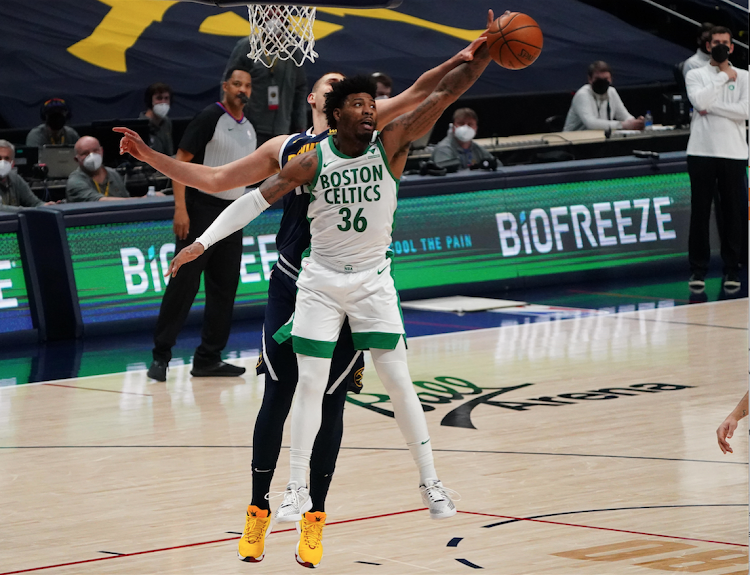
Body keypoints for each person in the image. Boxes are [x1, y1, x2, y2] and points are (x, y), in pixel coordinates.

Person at [116, 31, 487, 566]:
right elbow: (218, 180)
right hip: (298, 285)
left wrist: (467, 56)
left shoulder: (375, 138)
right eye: (335, 89)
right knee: (279, 399)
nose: (355, 99)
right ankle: (258, 511)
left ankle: (314, 517)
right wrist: (154, 159)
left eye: (362, 98)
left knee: (331, 401)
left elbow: (427, 90)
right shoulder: (292, 151)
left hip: (358, 285)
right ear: (318, 102)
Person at [144, 67, 256, 382]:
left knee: (224, 288)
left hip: (233, 213)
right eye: (237, 83)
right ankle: (161, 356)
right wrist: (180, 208)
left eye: (247, 85)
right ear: (225, 87)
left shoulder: (249, 127)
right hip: (201, 209)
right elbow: (180, 161)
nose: (242, 89)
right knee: (184, 284)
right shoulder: (210, 117)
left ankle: (208, 358)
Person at [685, 26, 748, 292]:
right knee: (700, 212)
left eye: (725, 42)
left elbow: (745, 112)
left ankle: (732, 269)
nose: (721, 46)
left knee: (734, 213)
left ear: (732, 48)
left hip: (734, 152)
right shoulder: (695, 73)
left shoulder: (745, 77)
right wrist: (723, 77)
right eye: (716, 42)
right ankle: (698, 270)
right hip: (701, 151)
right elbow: (699, 103)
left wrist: (712, 108)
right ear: (709, 46)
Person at [224, 37, 307, 146]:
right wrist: (229, 119)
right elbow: (230, 82)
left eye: (281, 19)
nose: (275, 22)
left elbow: (300, 88)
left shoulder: (293, 50)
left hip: (281, 128)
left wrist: (300, 125)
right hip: (249, 125)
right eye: (271, 18)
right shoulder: (247, 46)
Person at [563, 61, 645, 132]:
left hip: (600, 139)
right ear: (590, 79)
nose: (602, 83)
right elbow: (591, 123)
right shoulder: (582, 94)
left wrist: (635, 122)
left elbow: (624, 116)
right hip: (574, 142)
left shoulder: (612, 91)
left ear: (611, 79)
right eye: (598, 79)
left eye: (606, 79)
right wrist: (623, 125)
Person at [66, 136, 132, 202]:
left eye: (95, 151)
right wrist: (139, 200)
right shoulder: (75, 181)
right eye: (85, 153)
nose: (92, 156)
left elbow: (126, 198)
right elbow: (98, 202)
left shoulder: (113, 174)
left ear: (102, 151)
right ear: (77, 159)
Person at [430, 107, 497, 171]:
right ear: (453, 127)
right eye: (461, 124)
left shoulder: (478, 149)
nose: (465, 127)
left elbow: (499, 166)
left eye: (470, 124)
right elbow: (446, 176)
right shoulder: (444, 149)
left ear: (476, 129)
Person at [0, 140, 50, 211]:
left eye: (7, 158)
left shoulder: (15, 178)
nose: (2, 162)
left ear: (12, 163)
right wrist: (31, 210)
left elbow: (35, 203)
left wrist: (47, 206)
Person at [140, 82, 174, 156]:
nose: (163, 102)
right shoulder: (140, 126)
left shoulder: (167, 122)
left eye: (166, 98)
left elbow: (169, 152)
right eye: (159, 98)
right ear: (150, 101)